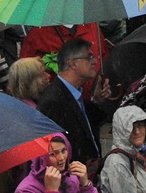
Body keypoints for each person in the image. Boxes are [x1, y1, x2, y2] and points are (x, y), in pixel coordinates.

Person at [36, 37, 103, 165]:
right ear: (73, 64)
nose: (94, 61)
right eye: (89, 57)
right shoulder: (54, 101)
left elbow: (87, 129)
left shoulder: (75, 92)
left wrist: (98, 102)